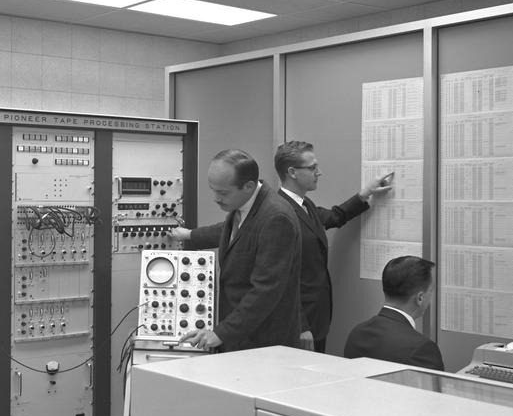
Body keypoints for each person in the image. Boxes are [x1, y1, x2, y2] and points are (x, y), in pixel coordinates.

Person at [168, 148, 303, 351]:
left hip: (262, 344)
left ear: (248, 186)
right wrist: (189, 235)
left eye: (222, 193)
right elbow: (232, 232)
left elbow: (265, 291)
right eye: (213, 190)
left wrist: (221, 333)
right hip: (240, 336)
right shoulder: (245, 206)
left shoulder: (276, 218)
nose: (216, 198)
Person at [273, 140, 394, 352]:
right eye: (312, 167)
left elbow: (334, 217)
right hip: (298, 325)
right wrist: (301, 325)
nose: (319, 172)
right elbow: (280, 277)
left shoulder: (304, 204)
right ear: (292, 172)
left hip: (317, 318)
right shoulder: (279, 213)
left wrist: (365, 193)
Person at [343, 255, 445, 371]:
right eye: (431, 291)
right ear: (420, 298)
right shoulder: (422, 350)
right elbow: (434, 383)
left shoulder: (357, 334)